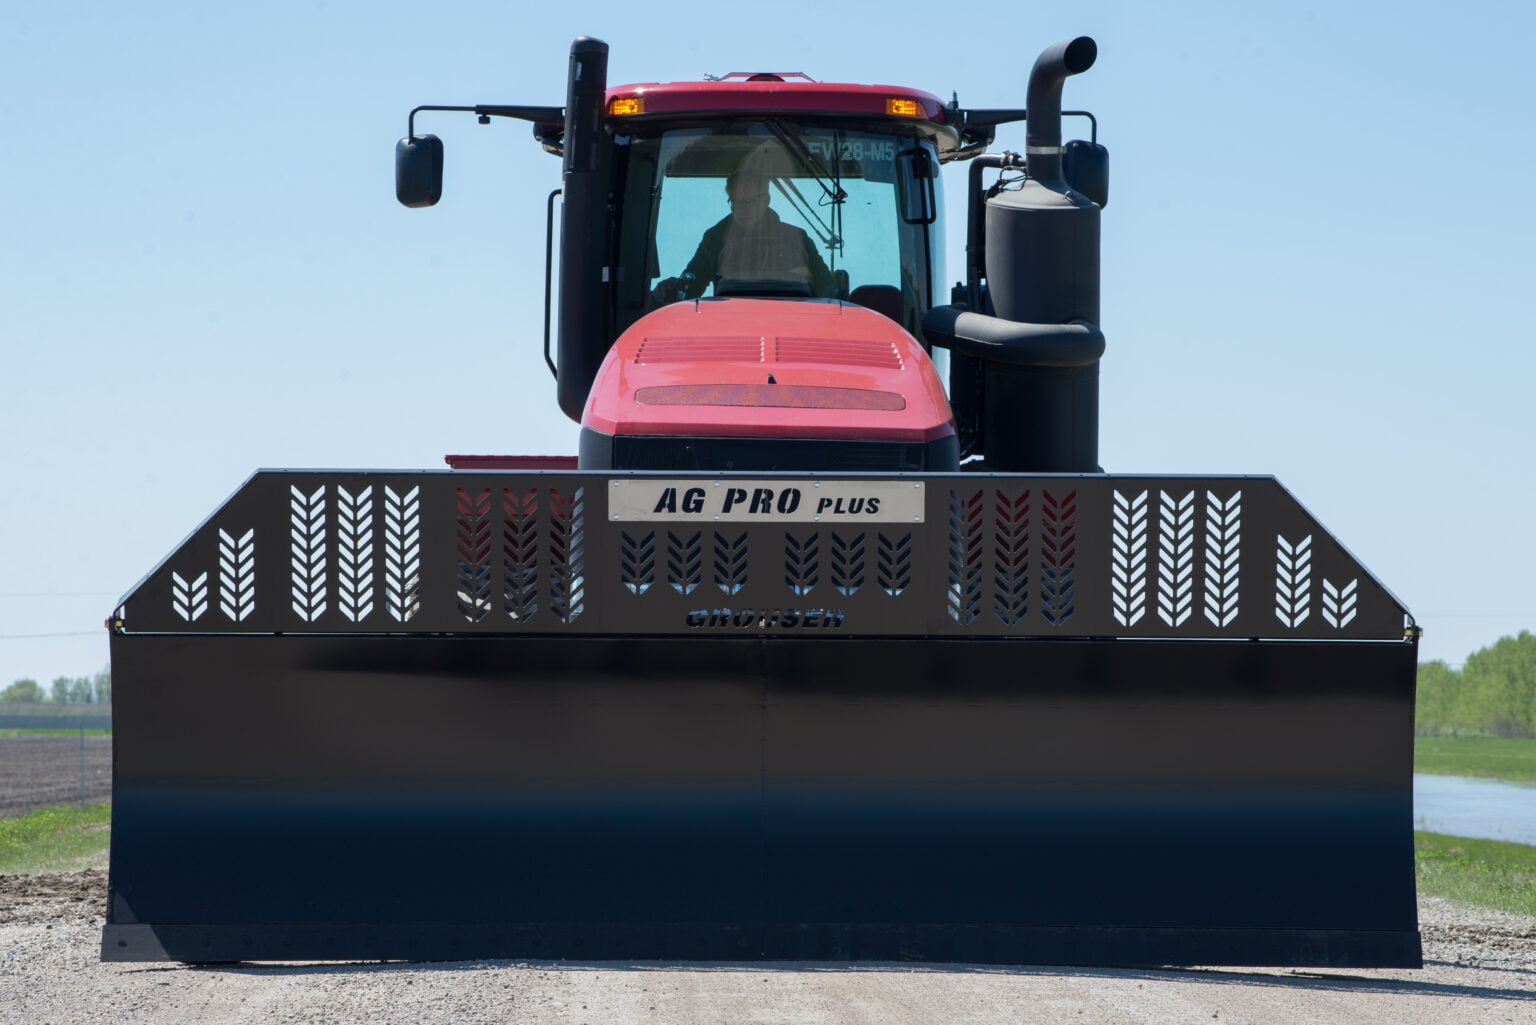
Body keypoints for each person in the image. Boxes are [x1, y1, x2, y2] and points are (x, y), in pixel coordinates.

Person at [655, 171, 833, 303]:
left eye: (747, 202)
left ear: (766, 200)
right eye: (734, 202)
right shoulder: (716, 238)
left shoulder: (797, 238)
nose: (739, 210)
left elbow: (827, 289)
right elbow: (693, 282)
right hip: (731, 321)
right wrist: (674, 289)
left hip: (792, 318)